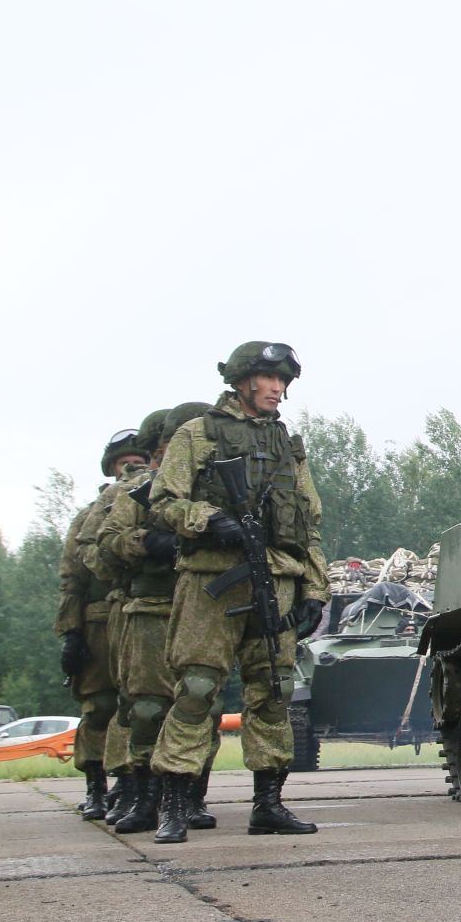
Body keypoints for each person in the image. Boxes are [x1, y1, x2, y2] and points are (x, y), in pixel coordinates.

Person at [146, 343, 329, 844]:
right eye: (269, 379)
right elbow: (163, 502)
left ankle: (267, 804)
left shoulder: (287, 443)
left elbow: (308, 520)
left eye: (284, 381)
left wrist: (315, 587)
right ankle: (176, 804)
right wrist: (210, 521)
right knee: (198, 688)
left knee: (273, 692)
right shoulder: (197, 433)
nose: (278, 389)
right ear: (244, 381)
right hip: (212, 580)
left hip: (278, 580)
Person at [95, 402, 216, 834]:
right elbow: (101, 550)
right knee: (146, 708)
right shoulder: (137, 494)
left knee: (202, 702)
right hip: (150, 611)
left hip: (204, 607)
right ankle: (144, 796)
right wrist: (148, 542)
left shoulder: (216, 489)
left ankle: (189, 797)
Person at [54, 427, 147, 820]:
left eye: (140, 462)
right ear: (112, 468)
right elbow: (72, 580)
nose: (132, 468)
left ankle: (131, 788)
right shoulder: (89, 518)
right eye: (125, 463)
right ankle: (95, 787)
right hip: (97, 623)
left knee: (138, 706)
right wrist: (70, 634)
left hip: (139, 613)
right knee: (99, 707)